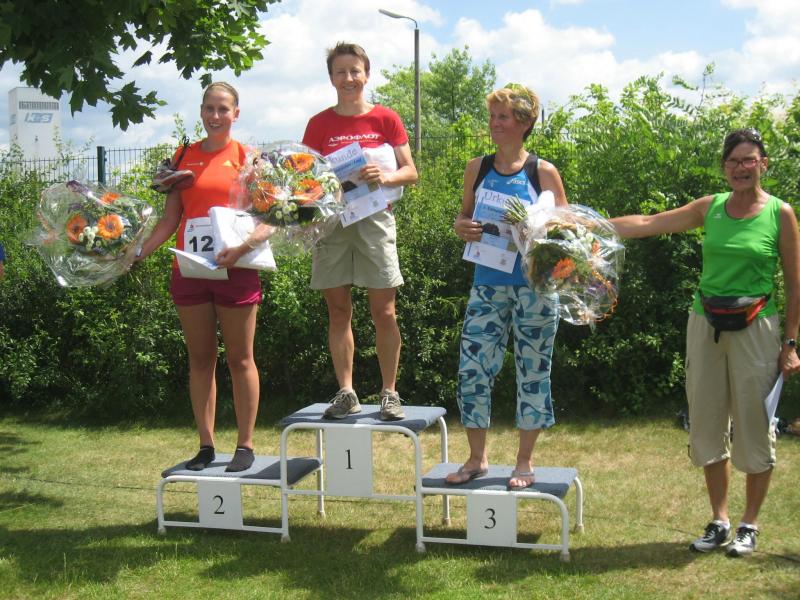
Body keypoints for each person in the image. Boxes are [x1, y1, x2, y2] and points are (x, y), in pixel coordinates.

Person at [611, 128, 800, 557]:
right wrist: (589, 223)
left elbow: (795, 284)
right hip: (705, 324)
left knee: (754, 424)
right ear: (724, 167)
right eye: (733, 161)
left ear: (763, 164)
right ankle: (719, 520)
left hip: (757, 327)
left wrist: (790, 343)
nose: (740, 168)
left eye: (748, 159)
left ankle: (749, 525)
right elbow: (650, 223)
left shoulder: (780, 213)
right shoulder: (711, 207)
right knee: (707, 421)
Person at [137, 82, 266, 472]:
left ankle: (245, 445)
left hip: (237, 268)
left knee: (240, 359)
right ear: (201, 111)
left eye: (223, 109)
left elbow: (270, 217)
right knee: (200, 359)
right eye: (209, 108)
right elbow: (169, 219)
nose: (215, 115)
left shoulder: (249, 158)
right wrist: (137, 253)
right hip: (190, 269)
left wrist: (241, 249)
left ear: (236, 113)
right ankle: (206, 445)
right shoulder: (182, 156)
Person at [445, 84, 568, 490]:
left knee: (533, 371)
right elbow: (463, 219)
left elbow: (567, 229)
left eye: (503, 117)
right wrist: (463, 228)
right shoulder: (476, 168)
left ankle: (524, 462)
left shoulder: (543, 171)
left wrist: (536, 227)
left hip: (535, 287)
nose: (494, 123)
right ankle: (476, 458)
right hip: (487, 284)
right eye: (493, 116)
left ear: (525, 123)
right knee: (472, 370)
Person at [302, 42, 418, 421]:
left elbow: (410, 172)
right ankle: (347, 392)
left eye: (355, 71)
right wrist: (323, 186)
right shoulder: (319, 124)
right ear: (331, 78)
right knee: (338, 312)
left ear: (366, 74)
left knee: (385, 311)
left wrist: (384, 176)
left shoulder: (386, 118)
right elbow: (305, 178)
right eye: (341, 72)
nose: (349, 78)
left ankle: (390, 393)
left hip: (375, 219)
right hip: (332, 224)